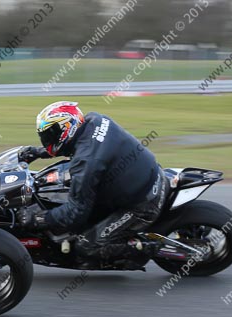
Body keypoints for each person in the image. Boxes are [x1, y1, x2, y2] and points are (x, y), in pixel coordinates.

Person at [16, 101, 166, 268]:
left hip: (144, 203)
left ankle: (145, 249)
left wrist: (38, 218)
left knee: (86, 246)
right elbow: (76, 146)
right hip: (150, 174)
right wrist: (39, 152)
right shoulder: (95, 119)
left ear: (67, 127)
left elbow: (76, 212)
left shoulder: (85, 162)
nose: (46, 139)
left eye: (50, 134)